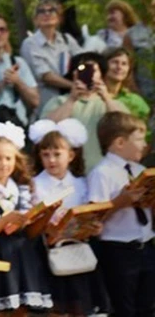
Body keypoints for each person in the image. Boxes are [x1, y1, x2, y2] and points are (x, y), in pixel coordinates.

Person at [27, 119, 109, 317]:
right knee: (58, 306)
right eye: (45, 155)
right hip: (50, 252)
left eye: (57, 154)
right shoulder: (35, 185)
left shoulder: (82, 183)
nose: (51, 160)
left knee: (83, 305)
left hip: (79, 250)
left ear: (71, 155)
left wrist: (93, 226)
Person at [0, 122, 53, 314]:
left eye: (8, 158)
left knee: (22, 309)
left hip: (23, 256)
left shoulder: (23, 188)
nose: (4, 163)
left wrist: (48, 212)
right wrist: (5, 220)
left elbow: (30, 233)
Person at [87, 112, 155, 316]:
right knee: (123, 307)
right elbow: (92, 219)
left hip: (147, 245)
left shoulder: (140, 169)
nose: (144, 144)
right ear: (119, 142)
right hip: (118, 250)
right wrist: (120, 202)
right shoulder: (102, 173)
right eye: (139, 139)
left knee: (148, 306)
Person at [38, 53, 129, 169]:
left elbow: (126, 128)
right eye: (82, 69)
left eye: (93, 70)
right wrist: (71, 99)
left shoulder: (111, 103)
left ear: (101, 74)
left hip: (103, 173)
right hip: (68, 173)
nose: (88, 74)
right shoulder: (59, 102)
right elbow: (44, 130)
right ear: (74, 74)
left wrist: (106, 97)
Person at [21, 0, 84, 106]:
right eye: (41, 11)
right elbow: (46, 77)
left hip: (72, 100)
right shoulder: (30, 43)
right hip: (46, 101)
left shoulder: (67, 39)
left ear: (59, 17)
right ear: (35, 20)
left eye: (52, 10)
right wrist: (74, 85)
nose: (47, 14)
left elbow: (84, 60)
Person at [0, 13, 39, 127]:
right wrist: (0, 85)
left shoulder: (18, 63)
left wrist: (17, 82)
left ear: (7, 33)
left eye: (2, 29)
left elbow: (35, 101)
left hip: (17, 127)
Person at [103, 47, 150, 121]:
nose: (119, 67)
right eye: (115, 62)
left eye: (124, 64)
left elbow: (146, 129)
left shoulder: (135, 100)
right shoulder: (92, 96)